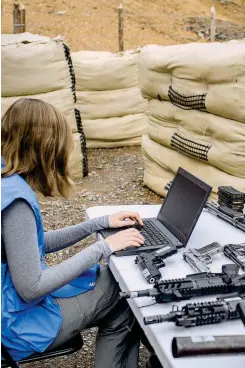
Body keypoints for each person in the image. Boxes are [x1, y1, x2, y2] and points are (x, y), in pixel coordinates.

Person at [1, 98, 146, 366]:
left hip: (7, 309)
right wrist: (104, 247)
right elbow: (31, 288)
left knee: (111, 285)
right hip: (14, 327)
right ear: (44, 147)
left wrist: (98, 224)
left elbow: (33, 243)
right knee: (123, 292)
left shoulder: (4, 178)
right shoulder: (16, 203)